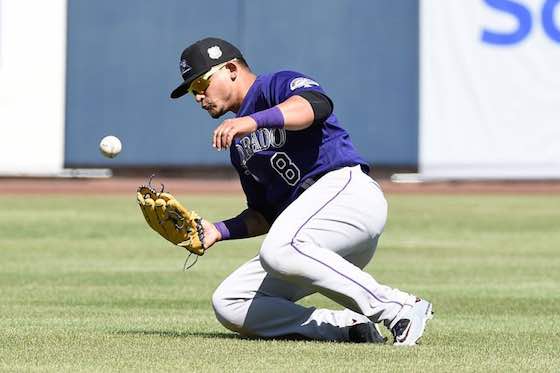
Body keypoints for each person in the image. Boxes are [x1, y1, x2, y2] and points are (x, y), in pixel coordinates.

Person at [170, 37, 433, 345]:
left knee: (279, 249)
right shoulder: (240, 147)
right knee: (230, 302)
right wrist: (217, 230)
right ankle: (348, 328)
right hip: (315, 237)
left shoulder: (275, 85)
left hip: (348, 194)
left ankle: (399, 307)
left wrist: (252, 121)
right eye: (192, 91)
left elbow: (316, 105)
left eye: (201, 83)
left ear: (230, 69)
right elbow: (265, 215)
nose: (199, 96)